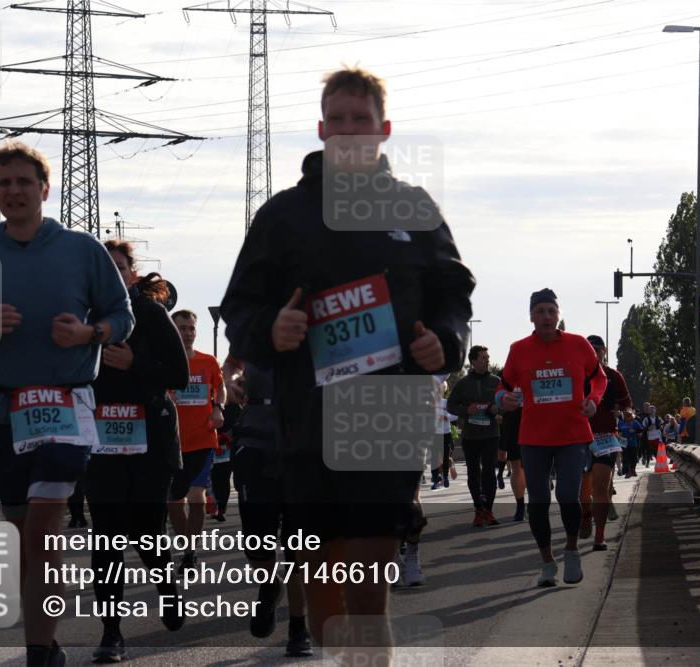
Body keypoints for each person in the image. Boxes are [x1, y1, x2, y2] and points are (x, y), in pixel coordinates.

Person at [220, 66, 474, 658]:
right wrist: (271, 330)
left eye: (361, 120)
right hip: (305, 418)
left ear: (383, 129)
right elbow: (240, 306)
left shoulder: (413, 208)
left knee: (366, 574)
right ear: (320, 129)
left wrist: (444, 339)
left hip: (386, 414)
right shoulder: (283, 216)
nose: (348, 131)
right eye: (337, 120)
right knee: (324, 581)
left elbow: (453, 293)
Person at [0, 142, 134, 667]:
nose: (14, 192)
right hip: (4, 412)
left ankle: (36, 653)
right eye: (4, 184)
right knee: (26, 538)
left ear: (45, 189)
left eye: (24, 182)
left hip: (66, 407)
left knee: (45, 529)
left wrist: (91, 333)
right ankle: (46, 640)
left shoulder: (80, 248)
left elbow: (122, 315)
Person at [85, 240, 190, 661]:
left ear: (132, 273)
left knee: (148, 535)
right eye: (104, 268)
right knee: (106, 539)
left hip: (149, 440)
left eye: (120, 267)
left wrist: (135, 365)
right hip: (100, 443)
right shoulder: (84, 319)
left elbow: (179, 375)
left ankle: (166, 586)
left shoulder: (150, 313)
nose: (113, 274)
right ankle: (112, 633)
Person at [496, 289, 607, 587]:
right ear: (531, 316)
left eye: (551, 311)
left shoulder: (578, 345)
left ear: (558, 315)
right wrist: (502, 398)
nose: (546, 316)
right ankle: (547, 561)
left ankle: (571, 550)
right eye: (540, 311)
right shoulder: (519, 349)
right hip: (533, 438)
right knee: (539, 501)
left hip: (572, 435)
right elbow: (502, 386)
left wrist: (593, 398)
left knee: (568, 496)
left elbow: (599, 377)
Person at [223, 356, 314, 657]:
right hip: (256, 440)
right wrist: (232, 380)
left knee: (298, 547)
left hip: (305, 444)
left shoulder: (321, 326)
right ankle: (270, 585)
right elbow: (232, 363)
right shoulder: (254, 324)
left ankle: (299, 627)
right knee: (257, 544)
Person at [168, 310, 225, 570]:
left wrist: (218, 407)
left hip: (203, 439)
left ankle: (190, 552)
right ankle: (186, 546)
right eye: (182, 328)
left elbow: (220, 387)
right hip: (174, 442)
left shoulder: (208, 361)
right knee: (174, 501)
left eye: (191, 328)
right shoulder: (166, 362)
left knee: (196, 497)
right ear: (172, 330)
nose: (188, 333)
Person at [577, 335, 631, 551]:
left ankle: (599, 535)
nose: (594, 353)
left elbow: (627, 401)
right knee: (584, 488)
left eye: (597, 349)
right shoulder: (577, 375)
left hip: (606, 436)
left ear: (604, 351)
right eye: (589, 350)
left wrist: (628, 412)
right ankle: (585, 514)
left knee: (601, 485)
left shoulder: (613, 376)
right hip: (579, 436)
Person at [447, 346, 502, 527]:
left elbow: (506, 402)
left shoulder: (497, 381)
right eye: (483, 357)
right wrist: (466, 411)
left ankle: (489, 509)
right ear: (473, 361)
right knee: (473, 474)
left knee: (489, 472)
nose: (487, 360)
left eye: (488, 357)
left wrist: (498, 409)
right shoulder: (463, 383)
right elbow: (451, 406)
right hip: (470, 436)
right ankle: (478, 510)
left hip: (491, 434)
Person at [497, 388, 527, 522]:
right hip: (512, 422)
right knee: (516, 466)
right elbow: (497, 398)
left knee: (533, 466)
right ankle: (520, 505)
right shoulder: (506, 375)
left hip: (534, 419)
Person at [617, 409, 641, 478]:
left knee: (634, 457)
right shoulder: (621, 422)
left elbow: (640, 432)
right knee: (625, 458)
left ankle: (633, 469)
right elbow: (619, 432)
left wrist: (634, 431)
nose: (627, 416)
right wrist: (620, 435)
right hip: (624, 443)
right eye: (625, 415)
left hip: (633, 442)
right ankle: (628, 472)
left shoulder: (635, 422)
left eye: (628, 415)